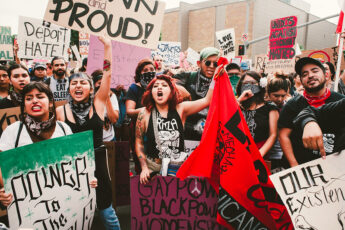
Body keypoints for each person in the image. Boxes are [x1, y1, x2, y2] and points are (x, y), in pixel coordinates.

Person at [55, 37, 120, 230]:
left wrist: (107, 46)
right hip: (71, 165)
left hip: (98, 162)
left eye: (83, 83)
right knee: (74, 211)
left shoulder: (98, 104)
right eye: (73, 83)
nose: (77, 86)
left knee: (106, 209)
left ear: (92, 88)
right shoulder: (60, 111)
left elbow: (107, 75)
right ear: (68, 88)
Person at [0, 82, 82, 227]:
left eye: (40, 97)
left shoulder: (63, 129)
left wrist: (85, 179)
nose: (35, 101)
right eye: (29, 98)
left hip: (60, 204)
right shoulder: (13, 131)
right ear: (24, 104)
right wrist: (5, 189)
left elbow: (74, 164)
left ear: (50, 102)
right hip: (27, 207)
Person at [135, 73, 216, 184]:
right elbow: (139, 142)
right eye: (155, 86)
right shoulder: (144, 113)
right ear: (151, 92)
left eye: (164, 85)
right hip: (153, 169)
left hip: (176, 168)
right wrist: (144, 168)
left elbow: (207, 100)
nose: (159, 87)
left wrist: (215, 77)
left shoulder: (181, 109)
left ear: (171, 91)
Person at [278, 57, 345, 168]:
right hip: (303, 170)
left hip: (335, 169)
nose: (310, 75)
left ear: (326, 75)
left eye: (315, 71)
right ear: (300, 80)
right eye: (304, 74)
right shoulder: (292, 105)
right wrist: (294, 165)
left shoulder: (339, 100)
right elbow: (283, 136)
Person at [173, 47, 220, 141]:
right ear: (199, 63)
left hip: (210, 137)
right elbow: (168, 85)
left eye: (215, 64)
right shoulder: (187, 77)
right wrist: (181, 89)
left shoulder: (221, 82)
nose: (211, 66)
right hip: (187, 135)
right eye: (207, 62)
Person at [236, 71, 279, 157]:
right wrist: (239, 100)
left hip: (261, 154)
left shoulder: (270, 108)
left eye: (253, 83)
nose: (249, 86)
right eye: (245, 83)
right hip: (238, 154)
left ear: (260, 85)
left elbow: (273, 135)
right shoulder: (236, 105)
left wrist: (259, 154)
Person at [266, 73, 291, 171]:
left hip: (285, 154)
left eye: (283, 96)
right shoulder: (264, 108)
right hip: (269, 155)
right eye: (276, 96)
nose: (280, 99)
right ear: (268, 93)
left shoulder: (289, 106)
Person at [92, 69, 119, 141]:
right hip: (93, 140)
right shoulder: (89, 97)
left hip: (109, 139)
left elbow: (114, 119)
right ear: (94, 84)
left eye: (105, 84)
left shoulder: (112, 96)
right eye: (99, 83)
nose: (102, 86)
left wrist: (107, 98)